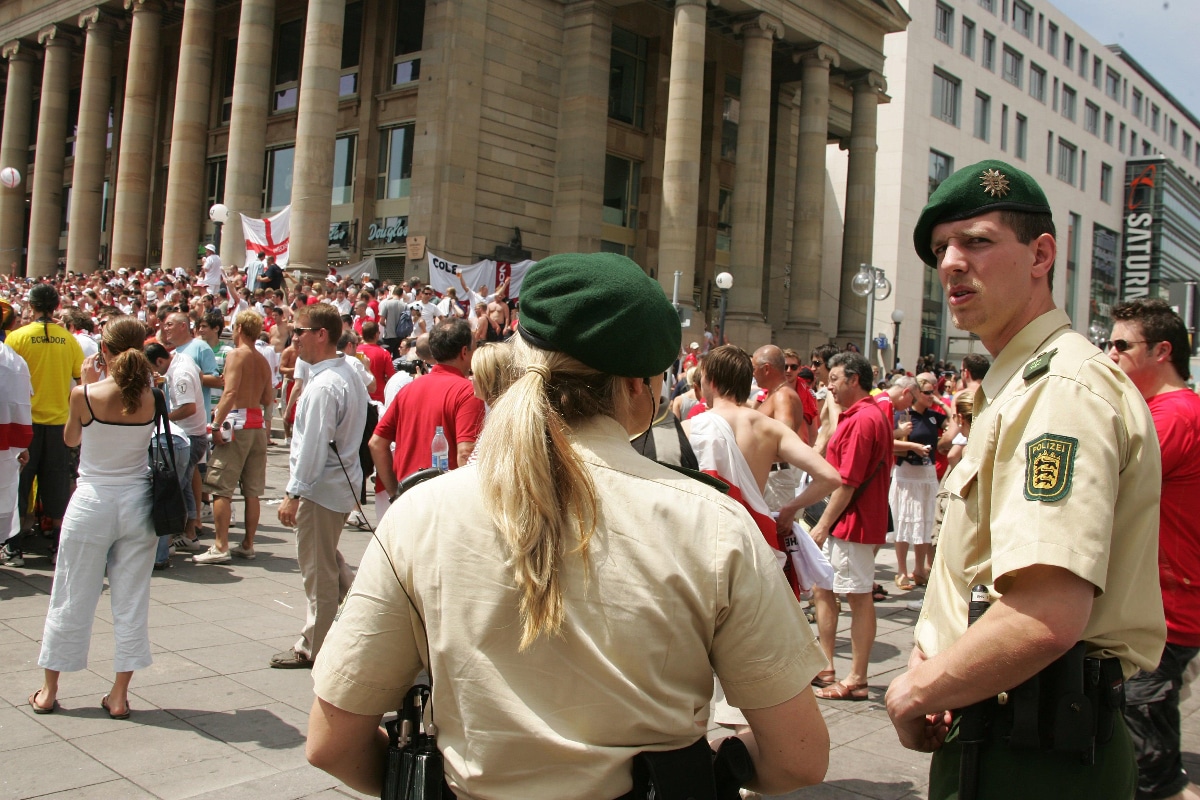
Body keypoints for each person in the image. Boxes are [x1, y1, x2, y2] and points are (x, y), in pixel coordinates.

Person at [307, 252, 831, 799]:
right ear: (638, 387)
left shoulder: (422, 513)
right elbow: (799, 756)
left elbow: (331, 741)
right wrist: (718, 765)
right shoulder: (713, 522)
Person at [886, 160, 1165, 799]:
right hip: (1005, 725)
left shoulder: (1057, 391)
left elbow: (1045, 612)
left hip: (1035, 745)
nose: (951, 262)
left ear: (1041, 255)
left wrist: (913, 693)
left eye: (977, 241)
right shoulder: (1020, 385)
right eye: (940, 249)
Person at [30, 317, 157, 719]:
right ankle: (118, 695)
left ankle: (50, 691)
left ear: (104, 351)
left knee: (71, 592)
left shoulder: (85, 394)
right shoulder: (155, 396)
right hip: (138, 502)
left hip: (93, 500)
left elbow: (71, 439)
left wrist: (84, 382)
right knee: (132, 599)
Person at [1108, 298, 1200, 800]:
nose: (1111, 354)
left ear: (1162, 350)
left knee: (1149, 769)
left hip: (1167, 608)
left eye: (1122, 345)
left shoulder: (1175, 414)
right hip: (1163, 602)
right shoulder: (1166, 411)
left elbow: (1107, 485)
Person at [272, 303, 368, 669]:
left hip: (322, 489)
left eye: (299, 331)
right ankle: (359, 616)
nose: (293, 338)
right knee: (328, 560)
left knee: (318, 570)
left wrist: (293, 494)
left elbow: (312, 448)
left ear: (321, 335)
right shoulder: (343, 373)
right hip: (335, 486)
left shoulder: (327, 384)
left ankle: (315, 645)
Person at [807, 351, 893, 700]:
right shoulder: (860, 415)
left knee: (858, 597)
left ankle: (856, 678)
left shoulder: (862, 420)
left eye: (835, 380)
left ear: (854, 379)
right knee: (824, 590)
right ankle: (826, 665)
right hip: (849, 522)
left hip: (852, 524)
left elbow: (848, 481)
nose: (830, 386)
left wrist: (823, 525)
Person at [5, 283, 84, 566]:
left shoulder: (17, 337)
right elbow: (79, 379)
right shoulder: (69, 339)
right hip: (59, 422)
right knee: (58, 485)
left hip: (25, 423)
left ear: (32, 305)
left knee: (18, 485)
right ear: (56, 307)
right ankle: (58, 547)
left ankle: (13, 547)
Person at [368, 318, 485, 507]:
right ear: (464, 352)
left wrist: (394, 493)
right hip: (445, 503)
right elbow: (465, 453)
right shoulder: (467, 392)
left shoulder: (409, 389)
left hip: (407, 500)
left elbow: (376, 444)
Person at [194, 311, 274, 564]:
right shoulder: (262, 360)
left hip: (235, 425)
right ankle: (248, 544)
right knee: (252, 491)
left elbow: (229, 393)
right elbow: (267, 399)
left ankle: (220, 545)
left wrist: (216, 425)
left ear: (239, 328)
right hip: (256, 424)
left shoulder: (235, 355)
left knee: (221, 489)